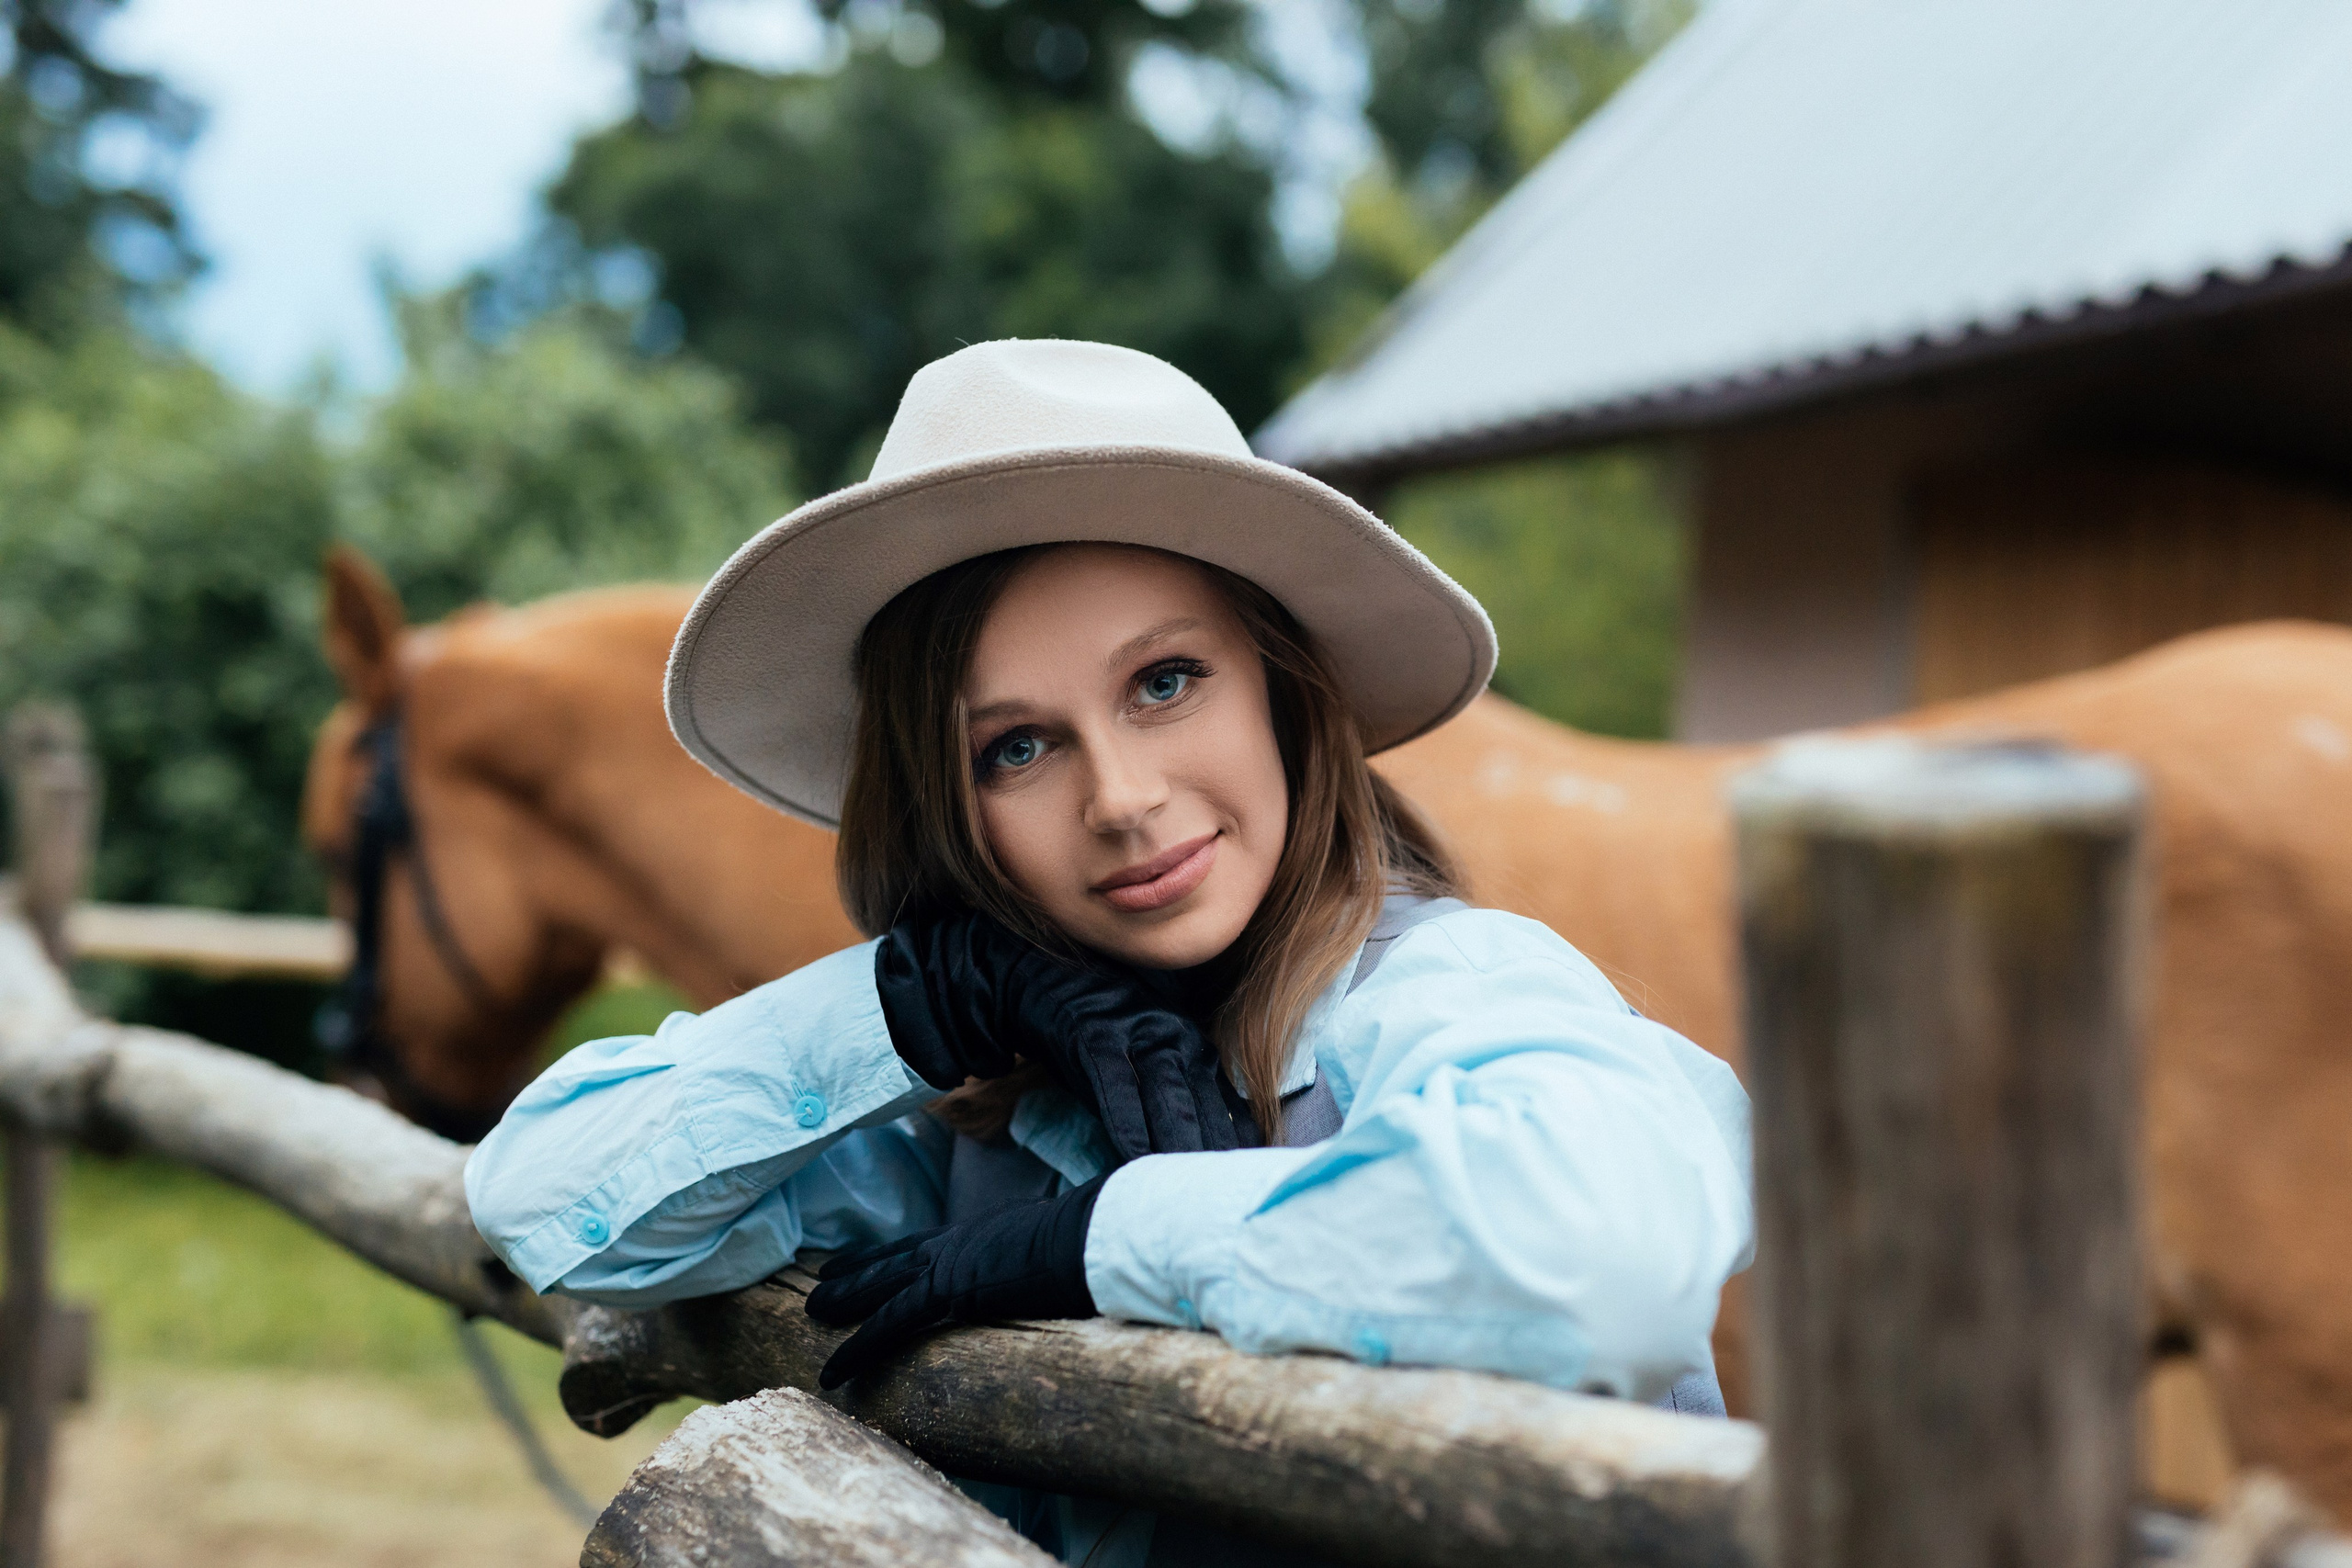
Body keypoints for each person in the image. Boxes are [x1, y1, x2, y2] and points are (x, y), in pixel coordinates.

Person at [466, 339, 1754, 1565]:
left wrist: (1101, 1243)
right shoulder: (982, 1131)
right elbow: (549, 1207)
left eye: (1165, 681)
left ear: (1284, 690)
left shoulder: (1450, 991)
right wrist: (916, 1000)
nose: (1122, 798)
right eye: (1014, 748)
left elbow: (1605, 1271)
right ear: (949, 814)